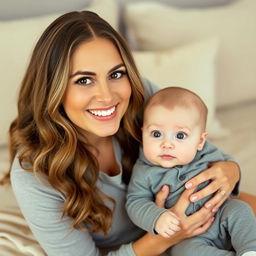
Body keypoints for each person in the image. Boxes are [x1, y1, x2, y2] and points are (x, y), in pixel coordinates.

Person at [0, 10, 253, 256]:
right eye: (84, 80)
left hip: (208, 210)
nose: (107, 96)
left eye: (116, 74)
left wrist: (231, 171)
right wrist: (165, 238)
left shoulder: (140, 95)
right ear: (52, 88)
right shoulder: (35, 174)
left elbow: (197, 145)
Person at [126, 87, 256, 256]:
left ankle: (250, 250)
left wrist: (233, 169)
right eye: (156, 133)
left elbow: (228, 167)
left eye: (180, 136)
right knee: (184, 253)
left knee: (240, 209)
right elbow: (135, 202)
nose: (167, 144)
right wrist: (157, 217)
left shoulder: (206, 152)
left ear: (200, 140)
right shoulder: (144, 172)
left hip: (221, 214)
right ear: (142, 133)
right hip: (187, 238)